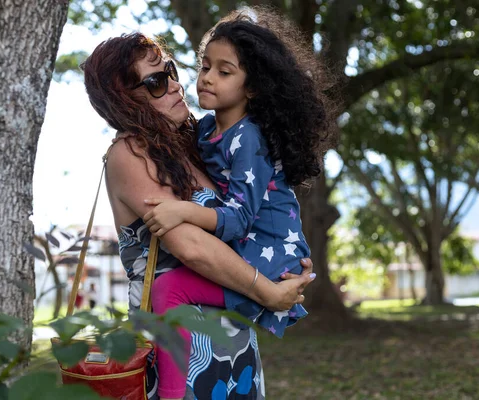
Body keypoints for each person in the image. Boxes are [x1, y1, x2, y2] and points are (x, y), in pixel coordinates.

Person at [82, 27, 316, 400]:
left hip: (229, 347)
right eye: (156, 82)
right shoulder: (131, 153)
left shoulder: (194, 144)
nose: (176, 85)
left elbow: (248, 218)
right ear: (124, 100)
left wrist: (284, 259)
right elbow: (191, 248)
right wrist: (270, 294)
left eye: (171, 72)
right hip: (176, 353)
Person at [142, 9, 339, 399]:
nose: (207, 77)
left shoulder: (248, 138)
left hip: (268, 251)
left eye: (225, 71)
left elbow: (237, 219)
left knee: (169, 291)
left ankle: (171, 395)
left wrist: (181, 211)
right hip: (252, 248)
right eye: (204, 66)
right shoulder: (206, 130)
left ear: (253, 88)